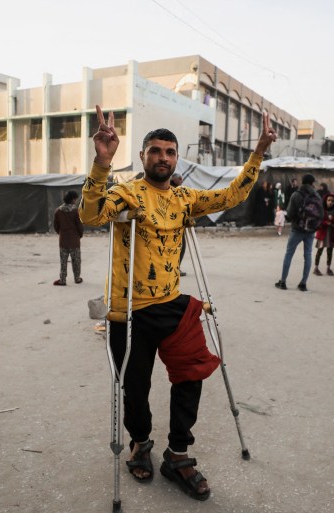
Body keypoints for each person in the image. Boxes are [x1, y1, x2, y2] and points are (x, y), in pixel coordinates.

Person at [80, 106, 276, 501]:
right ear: (142, 157)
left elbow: (233, 195)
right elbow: (91, 215)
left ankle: (179, 453)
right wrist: (102, 163)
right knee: (135, 386)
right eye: (155, 150)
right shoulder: (127, 193)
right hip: (129, 309)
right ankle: (140, 443)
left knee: (191, 373)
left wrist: (257, 154)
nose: (163, 157)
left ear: (176, 159)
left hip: (171, 303)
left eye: (169, 152)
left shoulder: (186, 199)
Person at [275, 173, 322, 292]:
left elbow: (290, 213)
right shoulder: (317, 195)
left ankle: (283, 282)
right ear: (312, 183)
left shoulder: (296, 194)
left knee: (289, 254)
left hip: (297, 229)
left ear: (302, 182)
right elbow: (321, 213)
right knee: (308, 255)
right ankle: (303, 284)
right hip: (311, 230)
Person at [52, 190, 84, 286]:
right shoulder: (76, 211)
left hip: (63, 241)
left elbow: (56, 226)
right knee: (76, 261)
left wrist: (61, 233)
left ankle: (62, 280)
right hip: (74, 241)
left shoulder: (58, 211)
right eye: (75, 199)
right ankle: (77, 278)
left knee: (63, 261)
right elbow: (80, 226)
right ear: (73, 199)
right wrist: (79, 235)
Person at [313, 193, 334, 276]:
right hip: (322, 234)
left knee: (330, 251)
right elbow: (318, 220)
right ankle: (316, 267)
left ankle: (328, 268)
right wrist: (326, 222)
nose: (330, 202)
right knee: (319, 251)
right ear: (325, 201)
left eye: (332, 201)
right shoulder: (321, 210)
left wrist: (333, 222)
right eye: (329, 200)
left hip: (331, 234)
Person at [170, 173, 187, 275]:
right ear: (175, 179)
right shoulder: (172, 189)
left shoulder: (174, 188)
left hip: (175, 222)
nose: (182, 180)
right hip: (175, 223)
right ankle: (176, 268)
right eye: (180, 178)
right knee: (180, 246)